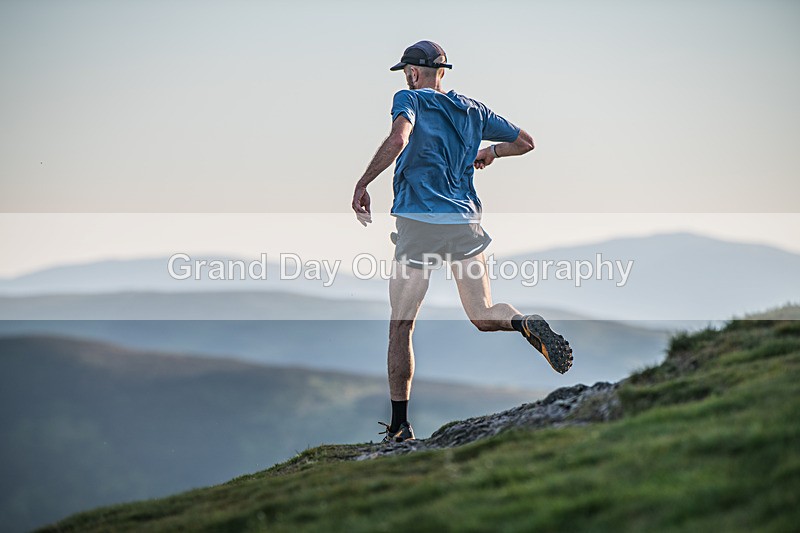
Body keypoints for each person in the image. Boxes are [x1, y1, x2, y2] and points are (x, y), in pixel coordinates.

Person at [351, 40, 573, 444]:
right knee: (482, 312)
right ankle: (524, 322)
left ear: (413, 73)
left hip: (419, 223)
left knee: (401, 326)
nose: (406, 78)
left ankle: (399, 427)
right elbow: (526, 142)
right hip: (465, 224)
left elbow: (399, 140)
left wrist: (363, 182)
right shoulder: (473, 110)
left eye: (406, 72)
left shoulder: (409, 98)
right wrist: (490, 151)